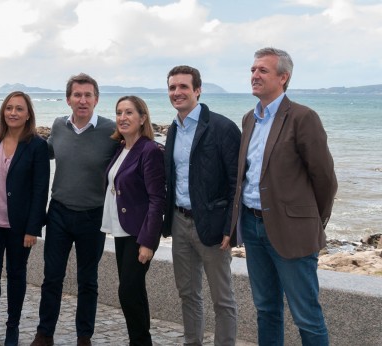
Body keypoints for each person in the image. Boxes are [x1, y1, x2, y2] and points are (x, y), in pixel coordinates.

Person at [230, 47, 338, 345]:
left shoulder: (303, 117)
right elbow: (248, 176)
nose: (254, 75)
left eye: (262, 70)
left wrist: (312, 220)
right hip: (252, 228)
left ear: (283, 77)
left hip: (292, 231)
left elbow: (325, 178)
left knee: (307, 316)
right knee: (266, 309)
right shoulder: (248, 119)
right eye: (253, 70)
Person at [30, 73, 119, 346]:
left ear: (96, 99)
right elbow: (43, 154)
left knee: (88, 281)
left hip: (94, 216)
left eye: (88, 95)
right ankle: (45, 334)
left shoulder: (111, 131)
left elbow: (133, 156)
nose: (83, 100)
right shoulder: (58, 126)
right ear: (68, 99)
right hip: (59, 213)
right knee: (52, 278)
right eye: (77, 95)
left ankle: (84, 337)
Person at [162, 65, 240, 345]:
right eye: (172, 87)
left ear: (198, 90)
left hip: (212, 226)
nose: (177, 92)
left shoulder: (222, 128)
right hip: (179, 222)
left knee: (223, 299)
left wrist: (231, 227)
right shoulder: (173, 129)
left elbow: (236, 183)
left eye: (183, 87)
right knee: (188, 294)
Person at [0, 91, 50, 346]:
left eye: (19, 109)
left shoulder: (38, 146)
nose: (13, 113)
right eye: (9, 108)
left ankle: (12, 327)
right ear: (3, 111)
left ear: (28, 113)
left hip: (19, 225)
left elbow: (41, 190)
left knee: (16, 275)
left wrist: (33, 229)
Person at [100, 95, 165, 346]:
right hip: (121, 229)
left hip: (140, 233)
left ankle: (140, 341)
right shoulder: (121, 148)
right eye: (119, 113)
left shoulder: (149, 150)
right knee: (135, 291)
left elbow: (157, 199)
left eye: (129, 113)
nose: (122, 118)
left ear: (142, 118)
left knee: (127, 292)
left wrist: (148, 242)